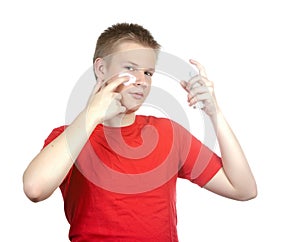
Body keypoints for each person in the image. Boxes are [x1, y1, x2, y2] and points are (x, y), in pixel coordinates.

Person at [23, 23, 257, 242]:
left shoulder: (168, 133)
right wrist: (92, 114)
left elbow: (243, 189)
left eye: (148, 73)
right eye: (130, 68)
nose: (142, 81)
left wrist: (215, 113)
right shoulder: (69, 136)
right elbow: (35, 189)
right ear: (101, 68)